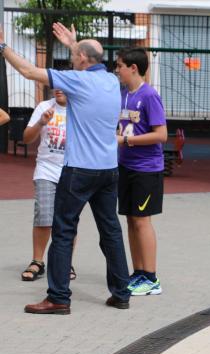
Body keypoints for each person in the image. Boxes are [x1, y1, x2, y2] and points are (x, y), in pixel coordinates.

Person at [0, 23, 131, 314]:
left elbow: (29, 72)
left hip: (79, 170)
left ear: (83, 61)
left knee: (62, 231)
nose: (71, 60)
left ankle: (58, 297)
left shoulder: (77, 80)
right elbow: (87, 55)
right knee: (110, 230)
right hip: (109, 170)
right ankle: (121, 293)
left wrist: (2, 48)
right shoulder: (111, 81)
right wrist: (74, 43)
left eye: (74, 56)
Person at [114, 47, 167, 296]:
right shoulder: (124, 94)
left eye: (119, 66)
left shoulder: (149, 96)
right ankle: (137, 273)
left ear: (133, 68)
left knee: (142, 221)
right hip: (126, 167)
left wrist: (125, 142)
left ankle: (151, 277)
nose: (117, 70)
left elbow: (161, 134)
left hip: (146, 170)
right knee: (130, 220)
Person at [20, 89, 77, 282]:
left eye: (64, 85)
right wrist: (41, 123)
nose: (59, 89)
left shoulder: (80, 108)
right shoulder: (44, 107)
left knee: (68, 220)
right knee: (44, 215)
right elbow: (26, 138)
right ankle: (38, 261)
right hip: (46, 169)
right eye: (56, 85)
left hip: (72, 170)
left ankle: (65, 262)